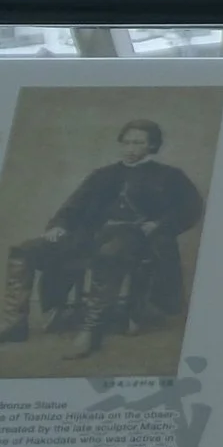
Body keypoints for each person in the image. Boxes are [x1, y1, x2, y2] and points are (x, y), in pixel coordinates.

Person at [0, 115, 203, 358]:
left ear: (152, 145)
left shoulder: (169, 176)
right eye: (126, 142)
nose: (130, 148)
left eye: (138, 143)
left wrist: (159, 225)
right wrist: (59, 225)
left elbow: (191, 208)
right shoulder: (103, 174)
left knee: (109, 254)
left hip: (137, 238)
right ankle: (14, 323)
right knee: (24, 250)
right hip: (91, 235)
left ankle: (90, 331)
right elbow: (74, 205)